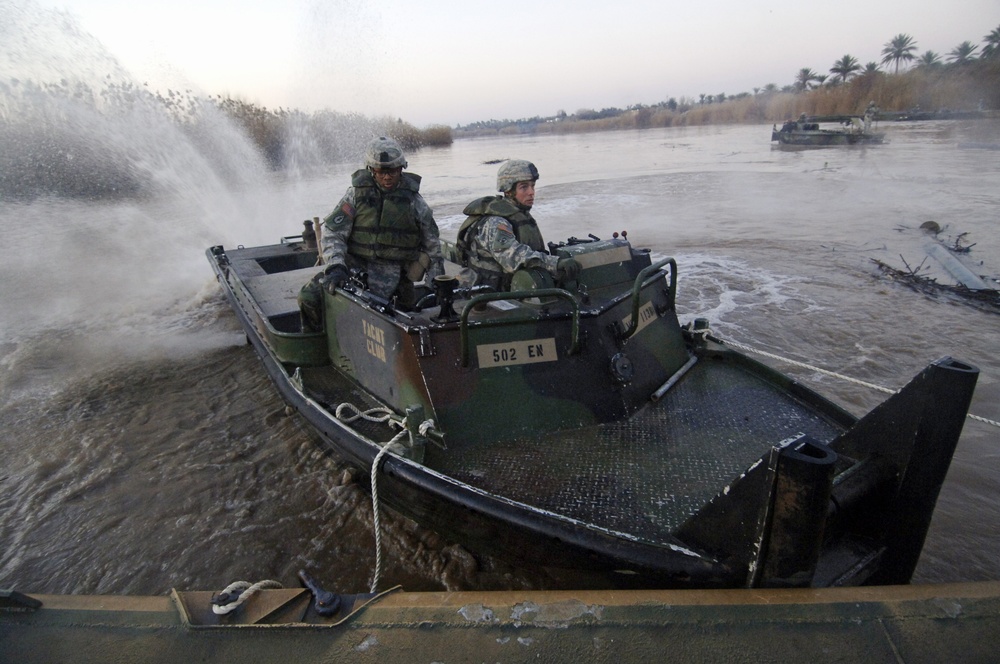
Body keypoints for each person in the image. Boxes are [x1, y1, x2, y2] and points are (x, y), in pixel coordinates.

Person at [299, 136, 444, 331]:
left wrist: (436, 284)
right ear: (371, 171)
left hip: (393, 275)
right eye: (381, 171)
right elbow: (334, 233)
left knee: (382, 320)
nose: (387, 177)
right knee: (308, 297)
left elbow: (433, 247)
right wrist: (335, 266)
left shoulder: (415, 203)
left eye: (392, 171)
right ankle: (316, 347)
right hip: (353, 267)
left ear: (401, 168)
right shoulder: (355, 196)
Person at [455, 159, 580, 290]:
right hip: (487, 292)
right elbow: (513, 256)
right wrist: (555, 263)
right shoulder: (496, 222)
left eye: (533, 186)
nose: (531, 192)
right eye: (524, 187)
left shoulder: (520, 214)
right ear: (509, 191)